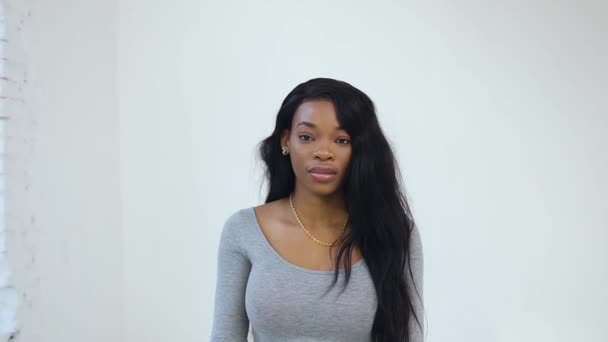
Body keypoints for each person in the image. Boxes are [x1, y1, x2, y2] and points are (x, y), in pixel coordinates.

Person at [210, 77, 424, 341]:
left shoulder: (394, 232)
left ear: (361, 150)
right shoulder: (243, 231)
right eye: (307, 137)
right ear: (286, 141)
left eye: (342, 140)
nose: (324, 152)